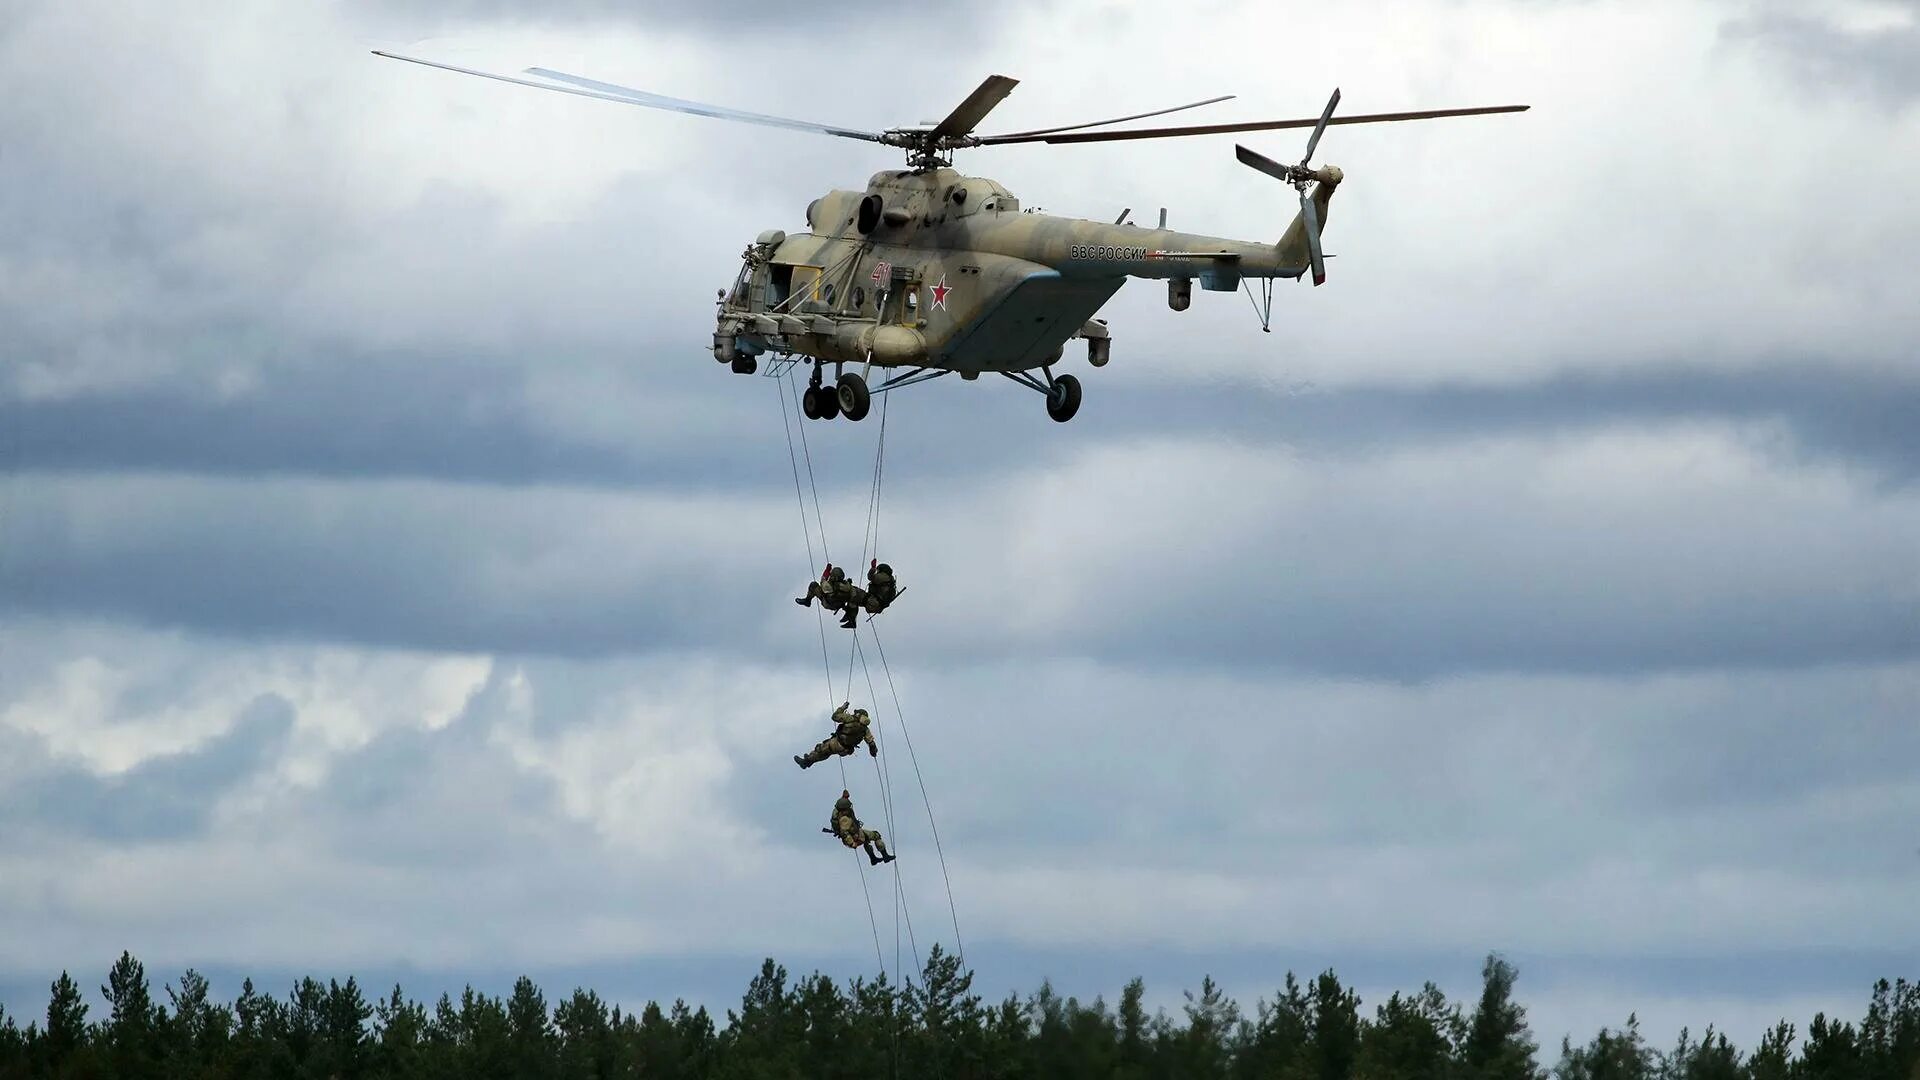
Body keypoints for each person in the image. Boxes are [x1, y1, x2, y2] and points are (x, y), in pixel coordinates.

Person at [794, 702, 878, 769]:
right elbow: (871, 744)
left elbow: (834, 717)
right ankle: (809, 760)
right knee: (826, 753)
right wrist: (873, 753)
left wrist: (842, 708)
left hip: (837, 744)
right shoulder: (865, 729)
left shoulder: (850, 718)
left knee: (820, 750)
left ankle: (806, 762)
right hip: (846, 751)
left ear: (858, 715)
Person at [823, 790, 895, 865]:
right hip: (855, 836)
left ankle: (873, 859)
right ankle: (885, 856)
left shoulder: (837, 810)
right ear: (845, 808)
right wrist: (852, 843)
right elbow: (844, 833)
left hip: (856, 832)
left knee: (867, 841)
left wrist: (845, 796)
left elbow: (843, 802)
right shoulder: (845, 819)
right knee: (876, 835)